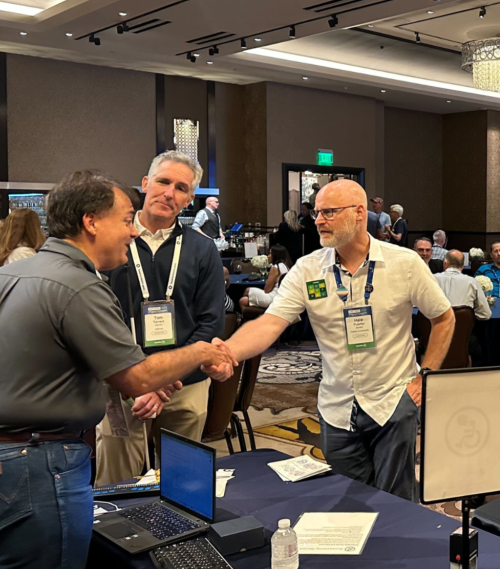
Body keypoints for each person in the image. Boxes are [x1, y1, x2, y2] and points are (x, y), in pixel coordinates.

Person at [0, 170, 234, 569]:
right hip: (41, 462)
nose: (132, 232)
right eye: (126, 221)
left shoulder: (13, 273)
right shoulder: (79, 286)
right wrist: (198, 352)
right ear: (91, 222)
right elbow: (136, 377)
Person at [211, 180, 454, 501]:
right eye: (318, 213)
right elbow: (270, 323)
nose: (318, 220)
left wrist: (424, 378)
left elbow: (444, 318)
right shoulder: (308, 270)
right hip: (336, 409)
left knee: (396, 505)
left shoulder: (404, 264)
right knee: (350, 502)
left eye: (329, 212)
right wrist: (229, 351)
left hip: (394, 403)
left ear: (358, 213)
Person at [97, 151, 227, 487]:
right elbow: (97, 319)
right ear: (145, 184)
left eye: (181, 188)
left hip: (185, 384)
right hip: (123, 382)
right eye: (163, 181)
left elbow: (211, 323)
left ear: (188, 199)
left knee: (184, 484)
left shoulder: (202, 249)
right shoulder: (110, 242)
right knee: (116, 483)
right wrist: (141, 379)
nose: (170, 193)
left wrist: (164, 381)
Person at [435, 250, 491, 321]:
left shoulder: (432, 279)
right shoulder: (472, 282)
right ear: (462, 266)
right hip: (463, 329)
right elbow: (485, 314)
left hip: (434, 329)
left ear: (445, 264)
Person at [241, 245, 292, 309]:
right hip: (282, 297)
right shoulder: (286, 266)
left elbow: (267, 290)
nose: (268, 256)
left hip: (273, 298)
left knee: (247, 290)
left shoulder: (275, 267)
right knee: (243, 300)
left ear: (276, 255)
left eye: (270, 253)